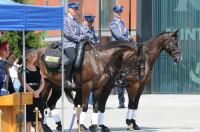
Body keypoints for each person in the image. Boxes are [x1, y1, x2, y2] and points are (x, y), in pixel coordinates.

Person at [110, 5, 132, 109]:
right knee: (119, 76)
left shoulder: (122, 23)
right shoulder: (113, 23)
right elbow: (118, 36)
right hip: (118, 47)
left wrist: (129, 37)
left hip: (125, 45)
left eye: (120, 12)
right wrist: (127, 38)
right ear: (114, 13)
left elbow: (126, 33)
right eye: (117, 12)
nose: (119, 13)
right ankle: (121, 101)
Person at [21, 48, 46, 132]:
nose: (33, 56)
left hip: (38, 95)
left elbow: (42, 82)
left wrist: (38, 91)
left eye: (35, 55)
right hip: (27, 94)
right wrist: (32, 92)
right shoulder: (22, 68)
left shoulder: (38, 69)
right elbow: (23, 82)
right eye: (31, 55)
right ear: (26, 57)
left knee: (39, 119)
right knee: (28, 120)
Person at [63, 2, 85, 89]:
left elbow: (80, 30)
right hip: (68, 43)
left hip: (76, 43)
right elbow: (68, 34)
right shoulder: (65, 19)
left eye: (76, 9)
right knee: (72, 58)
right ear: (69, 9)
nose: (76, 11)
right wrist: (79, 38)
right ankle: (67, 79)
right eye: (74, 9)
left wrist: (84, 36)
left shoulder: (75, 19)